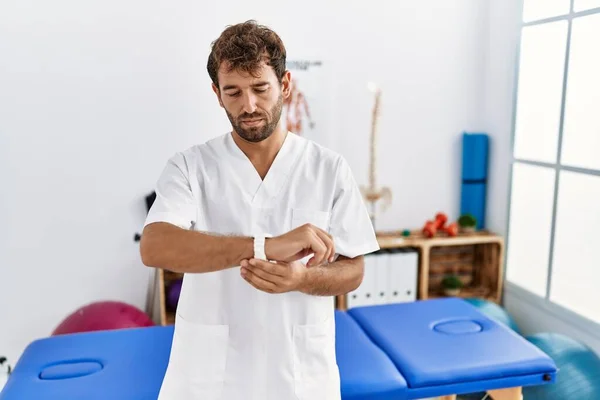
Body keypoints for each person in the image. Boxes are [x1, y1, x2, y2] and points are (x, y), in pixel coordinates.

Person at [140, 20, 379, 400]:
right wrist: (264, 246)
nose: (248, 105)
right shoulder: (190, 166)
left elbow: (353, 270)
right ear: (217, 94)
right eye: (233, 92)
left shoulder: (328, 168)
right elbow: (154, 247)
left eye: (260, 88)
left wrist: (302, 279)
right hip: (209, 376)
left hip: (299, 376)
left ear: (284, 85)